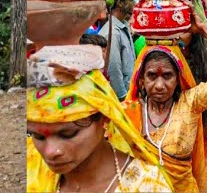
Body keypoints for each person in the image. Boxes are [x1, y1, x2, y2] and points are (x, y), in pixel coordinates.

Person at [123, 15, 207, 192]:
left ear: (179, 78)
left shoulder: (191, 102)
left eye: (167, 76)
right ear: (141, 80)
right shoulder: (128, 112)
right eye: (152, 76)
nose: (160, 85)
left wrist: (205, 30)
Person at [27, 57, 173, 193]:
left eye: (68, 134)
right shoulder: (31, 165)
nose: (51, 151)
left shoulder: (147, 186)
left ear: (104, 117)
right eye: (38, 136)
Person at [104, 0, 136, 100]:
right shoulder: (112, 32)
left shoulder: (123, 27)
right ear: (120, 3)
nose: (134, 4)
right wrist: (122, 96)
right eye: (131, 0)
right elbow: (113, 68)